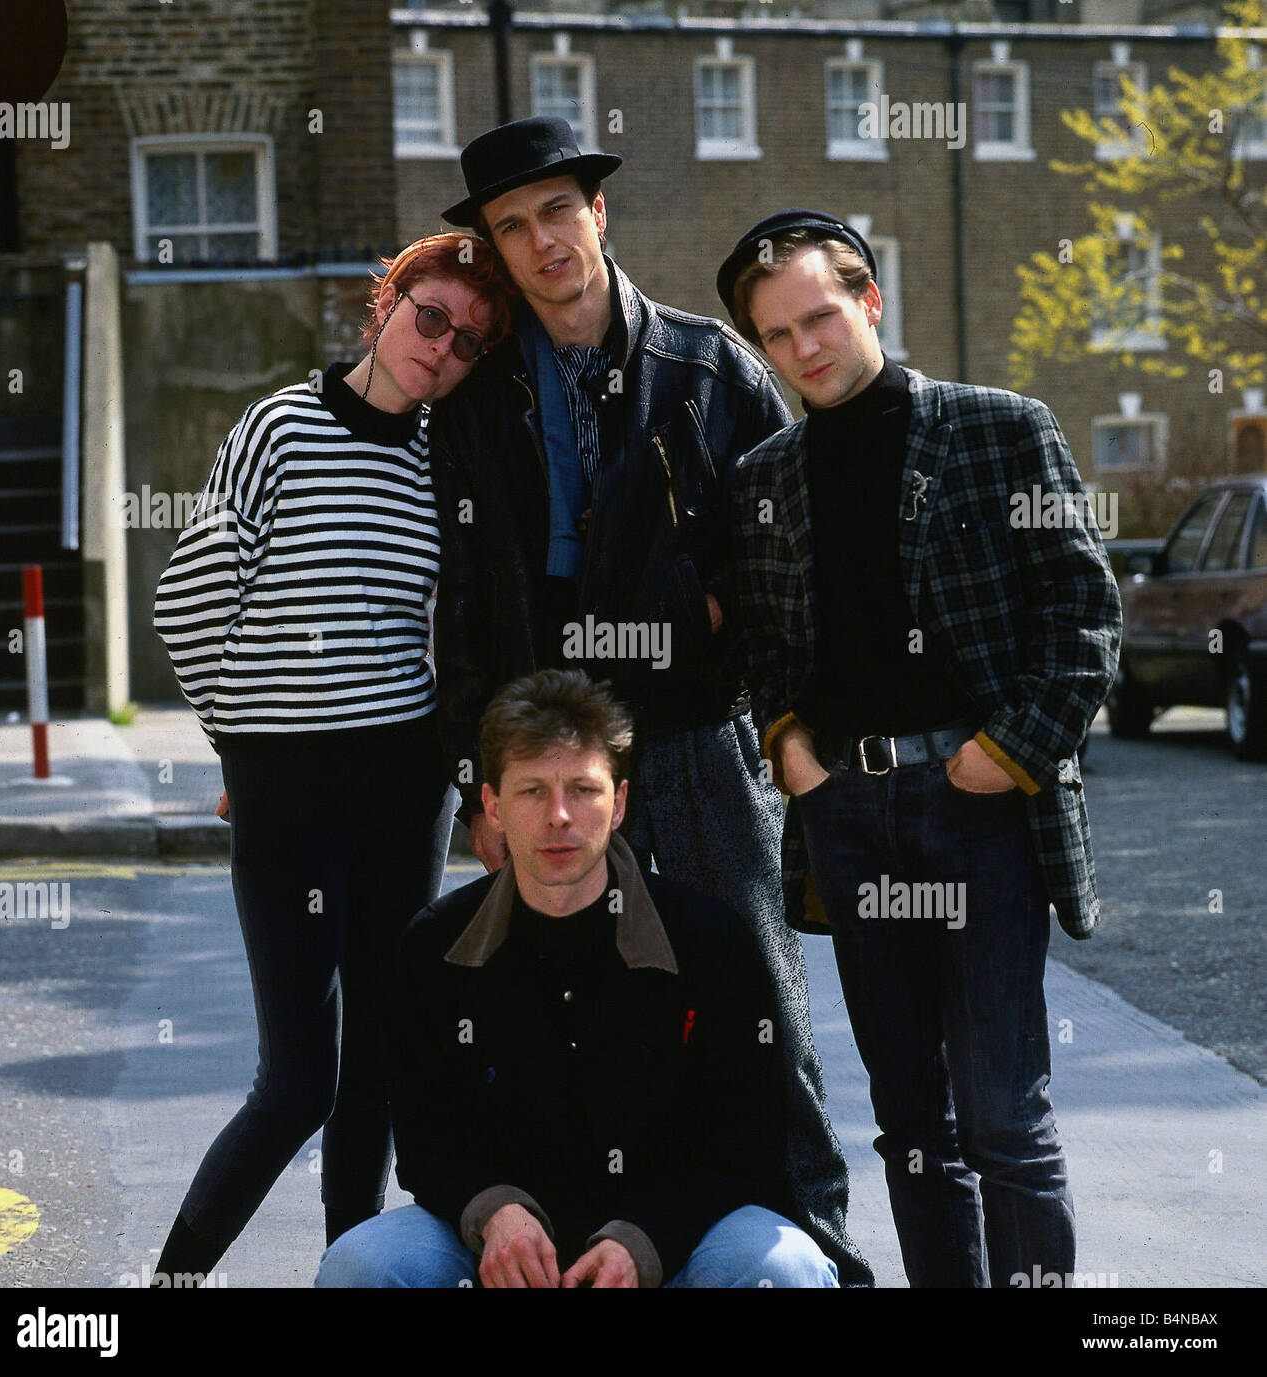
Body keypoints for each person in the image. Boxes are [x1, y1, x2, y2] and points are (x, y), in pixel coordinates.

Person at [426, 116, 871, 1285]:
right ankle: (584, 1241)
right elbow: (464, 603)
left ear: (598, 212)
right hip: (543, 755)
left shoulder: (708, 366)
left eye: (557, 211)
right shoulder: (474, 406)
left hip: (689, 739)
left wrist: (732, 647)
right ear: (496, 245)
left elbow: (794, 559)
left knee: (759, 1000)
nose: (541, 241)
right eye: (512, 226)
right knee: (545, 1011)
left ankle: (806, 1246)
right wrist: (481, 779)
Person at [719, 209, 1123, 1288]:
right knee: (908, 1120)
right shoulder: (762, 477)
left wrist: (1012, 749)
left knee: (1002, 1115)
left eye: (820, 317)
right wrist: (791, 752)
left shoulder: (1000, 428)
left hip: (980, 804)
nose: (806, 348)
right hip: (850, 820)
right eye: (779, 335)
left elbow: (1084, 614)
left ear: (868, 301)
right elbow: (761, 644)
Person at [149, 233, 516, 1285]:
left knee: (379, 1074)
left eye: (467, 340)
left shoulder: (448, 459)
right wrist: (245, 745)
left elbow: (442, 633)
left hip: (405, 788)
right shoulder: (281, 426)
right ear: (387, 305)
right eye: (429, 315)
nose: (440, 350)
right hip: (288, 789)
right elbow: (187, 607)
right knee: (299, 1081)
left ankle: (345, 1274)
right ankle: (172, 1279)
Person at [315, 668, 842, 1288]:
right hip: (503, 1258)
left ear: (619, 803)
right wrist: (493, 1211)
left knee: (786, 1266)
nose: (559, 816)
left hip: (670, 1249)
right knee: (360, 1265)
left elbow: (747, 1146)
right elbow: (428, 1141)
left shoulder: (708, 939)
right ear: (492, 806)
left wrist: (644, 1241)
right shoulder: (433, 947)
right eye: (532, 791)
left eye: (583, 790)